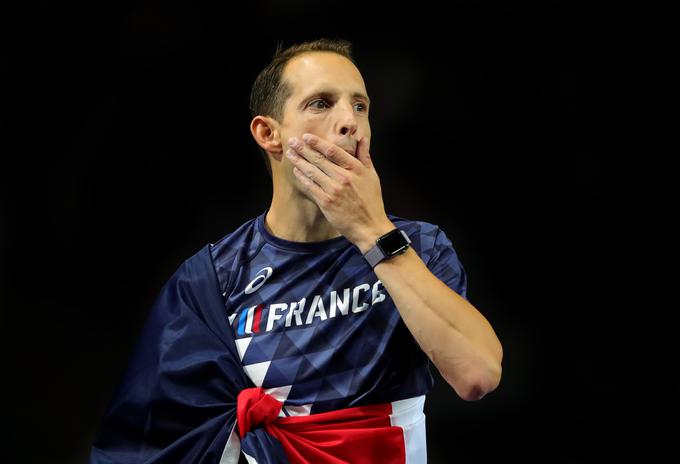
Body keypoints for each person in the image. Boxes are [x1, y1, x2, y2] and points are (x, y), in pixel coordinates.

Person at [90, 38, 503, 464]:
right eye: (321, 104)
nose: (350, 122)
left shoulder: (419, 247)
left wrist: (371, 231)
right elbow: (151, 442)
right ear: (269, 134)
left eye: (360, 106)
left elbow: (478, 374)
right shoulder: (213, 279)